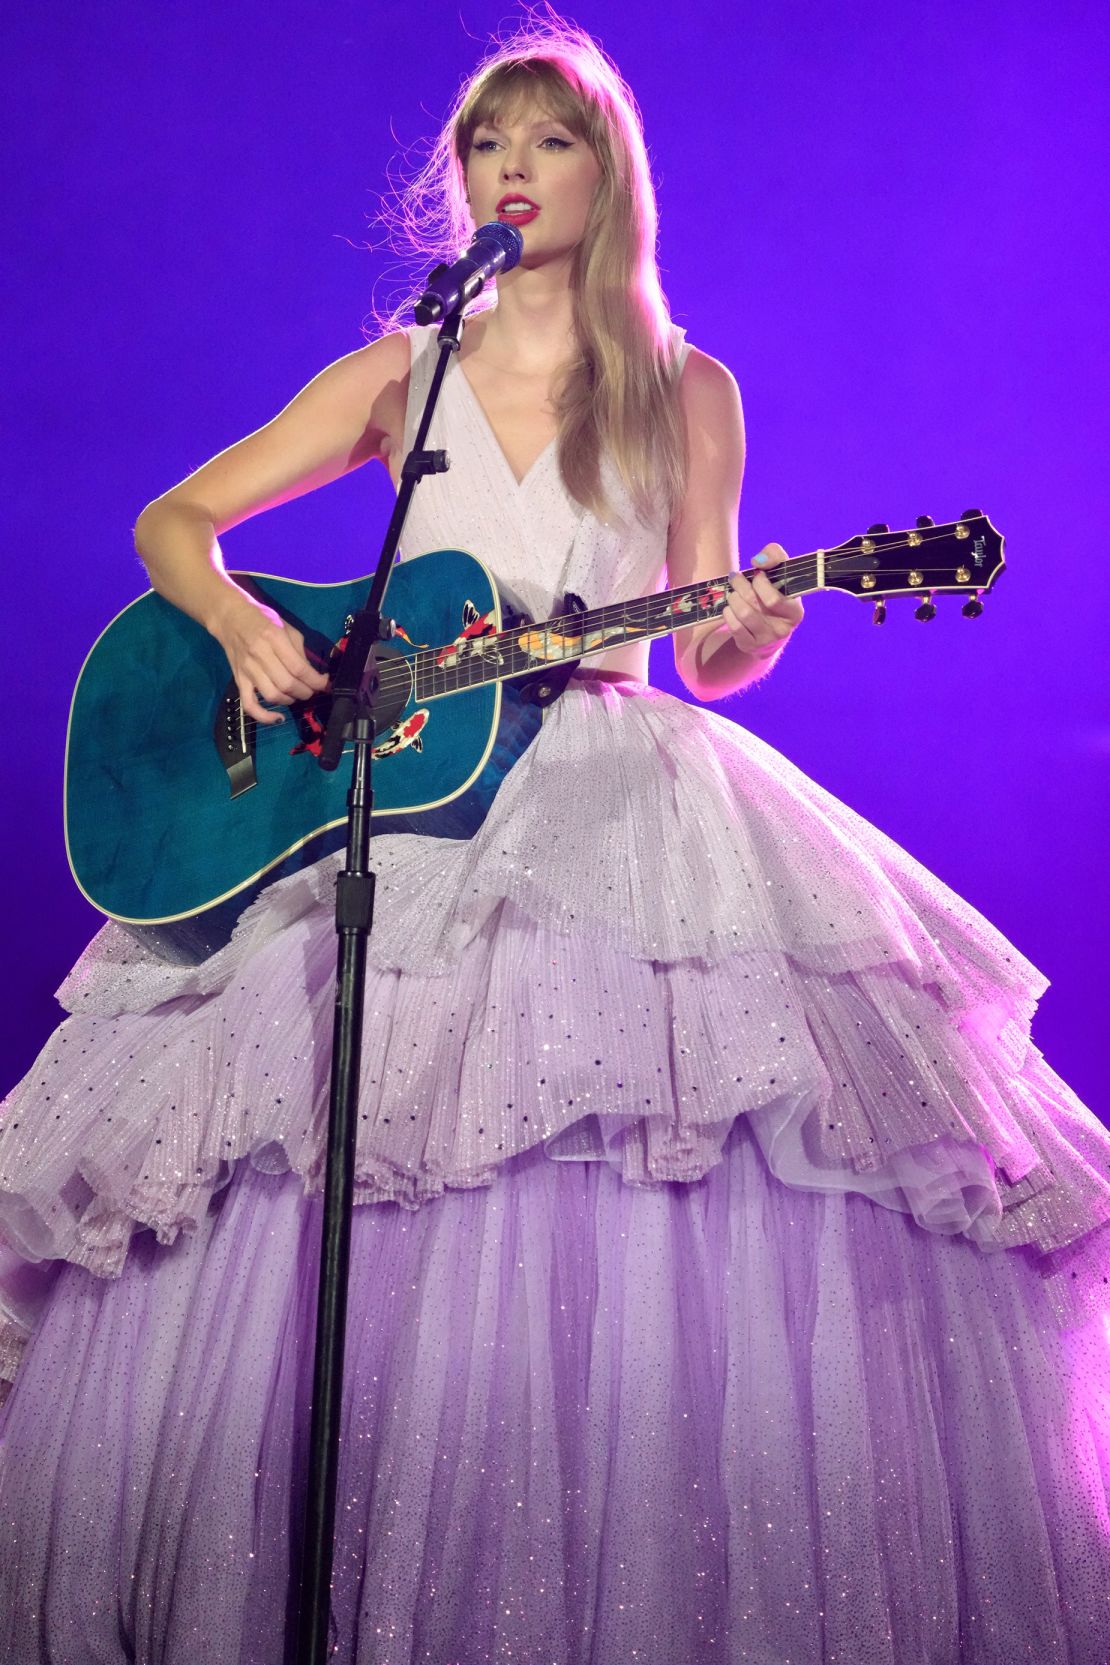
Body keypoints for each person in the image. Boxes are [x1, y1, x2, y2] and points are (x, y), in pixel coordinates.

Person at [2, 18, 1109, 1665]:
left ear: (612, 174)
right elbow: (178, 518)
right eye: (485, 147)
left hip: (608, 777)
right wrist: (236, 622)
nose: (512, 172)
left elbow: (713, 648)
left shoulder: (686, 386)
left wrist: (760, 621)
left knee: (619, 1150)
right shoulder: (402, 367)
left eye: (551, 143)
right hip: (393, 791)